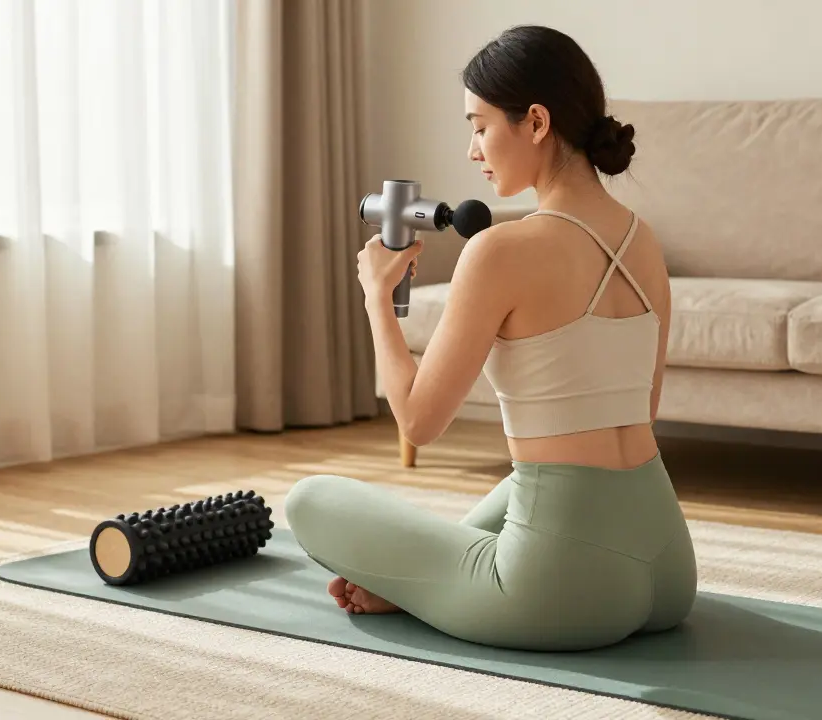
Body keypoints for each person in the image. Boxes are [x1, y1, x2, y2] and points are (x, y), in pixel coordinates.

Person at [283, 25, 697, 652]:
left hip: (560, 592)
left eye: (479, 126)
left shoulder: (500, 250)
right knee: (535, 479)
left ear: (534, 122)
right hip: (668, 569)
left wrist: (376, 297)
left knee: (309, 499)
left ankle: (426, 579)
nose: (472, 148)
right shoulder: (644, 240)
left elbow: (418, 422)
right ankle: (422, 578)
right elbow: (639, 415)